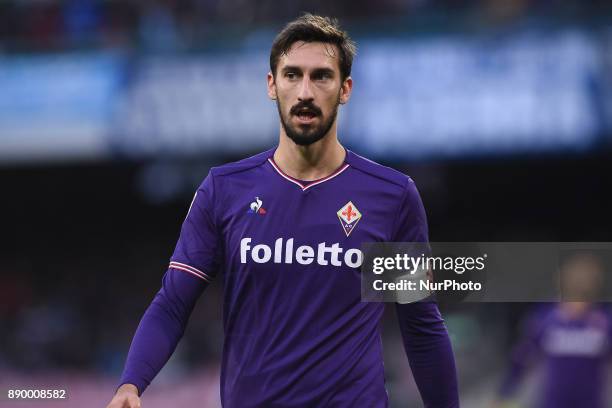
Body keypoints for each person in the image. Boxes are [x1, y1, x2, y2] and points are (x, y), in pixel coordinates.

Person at [107, 13, 459, 408]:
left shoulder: (392, 196)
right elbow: (173, 303)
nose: (305, 91)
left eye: (321, 76)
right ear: (272, 85)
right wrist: (131, 384)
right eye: (292, 75)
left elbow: (421, 326)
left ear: (345, 89)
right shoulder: (224, 190)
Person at [493, 251, 612, 408]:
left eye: (588, 277)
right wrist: (504, 393)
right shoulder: (546, 317)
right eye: (576, 276)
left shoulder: (604, 320)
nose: (581, 281)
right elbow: (522, 357)